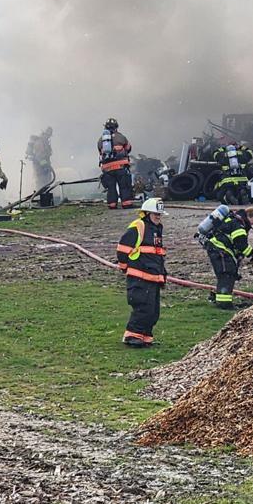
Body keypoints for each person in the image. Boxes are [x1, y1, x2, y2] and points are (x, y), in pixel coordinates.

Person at [116, 197, 167, 347]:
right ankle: (132, 336)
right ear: (146, 213)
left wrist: (162, 275)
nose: (158, 217)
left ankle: (145, 336)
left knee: (153, 311)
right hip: (139, 277)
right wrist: (124, 267)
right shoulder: (139, 226)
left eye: (160, 214)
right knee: (142, 308)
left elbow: (156, 254)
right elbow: (122, 249)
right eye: (155, 214)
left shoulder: (156, 230)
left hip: (153, 277)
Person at [204, 205, 253, 309]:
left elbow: (237, 246)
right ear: (248, 216)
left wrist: (242, 256)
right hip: (220, 249)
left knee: (227, 273)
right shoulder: (239, 225)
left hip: (217, 248)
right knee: (227, 274)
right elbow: (241, 244)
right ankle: (224, 304)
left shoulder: (235, 220)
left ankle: (219, 299)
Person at [98, 118, 134, 209]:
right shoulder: (121, 137)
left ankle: (112, 205)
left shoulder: (101, 140)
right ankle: (126, 203)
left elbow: (100, 152)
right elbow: (128, 148)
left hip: (107, 168)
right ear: (116, 127)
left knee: (111, 188)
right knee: (124, 185)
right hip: (121, 166)